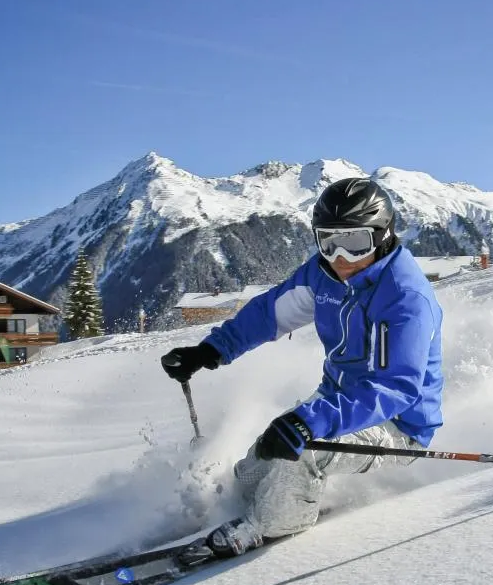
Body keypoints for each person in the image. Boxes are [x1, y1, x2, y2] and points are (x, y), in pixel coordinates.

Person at [161, 177, 444, 557]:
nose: (340, 257)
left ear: (383, 236)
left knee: (304, 450)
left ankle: (270, 526)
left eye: (355, 242)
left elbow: (392, 390)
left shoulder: (403, 298)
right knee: (261, 459)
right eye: (328, 241)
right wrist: (210, 351)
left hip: (396, 425)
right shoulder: (323, 275)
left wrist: (312, 421)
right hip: (336, 402)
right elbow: (268, 314)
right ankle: (240, 507)